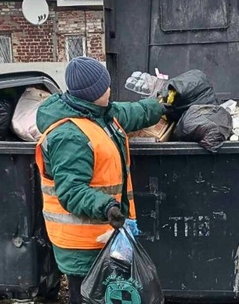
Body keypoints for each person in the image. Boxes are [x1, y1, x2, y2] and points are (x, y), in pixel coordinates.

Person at [35, 57, 167, 304]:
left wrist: (160, 107)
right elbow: (71, 191)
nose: (109, 90)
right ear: (93, 93)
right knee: (86, 297)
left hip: (106, 235)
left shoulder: (100, 115)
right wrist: (105, 206)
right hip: (83, 245)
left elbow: (131, 113)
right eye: (105, 86)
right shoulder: (69, 136)